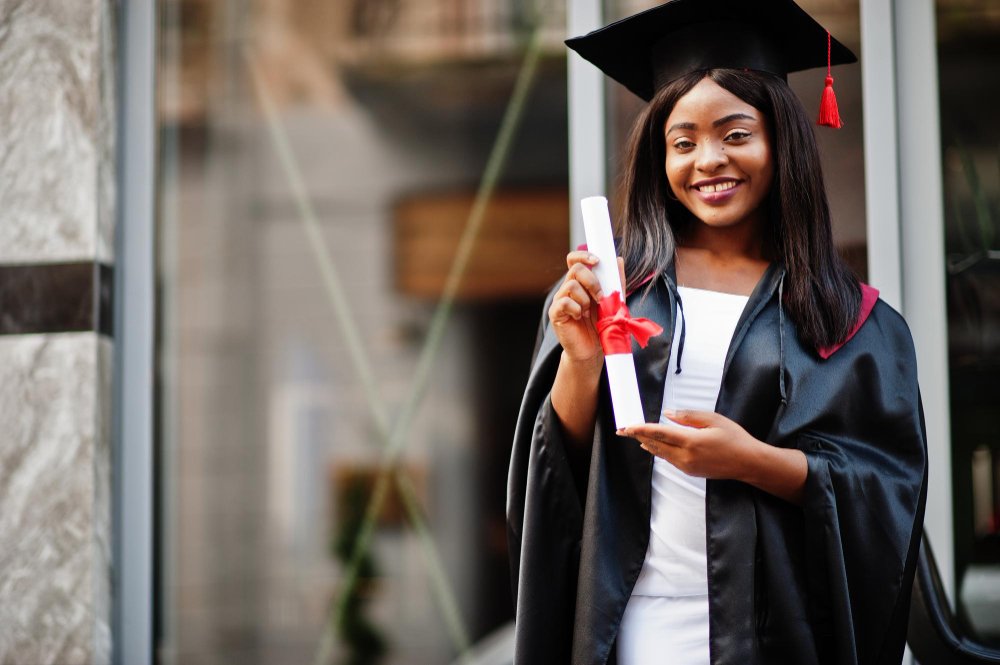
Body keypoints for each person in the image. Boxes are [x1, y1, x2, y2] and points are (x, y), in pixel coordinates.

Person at [506, 1, 928, 664]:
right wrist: (582, 361)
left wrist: (750, 460)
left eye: (735, 134)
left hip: (785, 633)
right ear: (659, 154)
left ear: (780, 139)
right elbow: (557, 470)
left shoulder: (854, 318)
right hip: (640, 624)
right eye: (683, 141)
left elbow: (885, 493)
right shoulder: (613, 287)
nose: (709, 160)